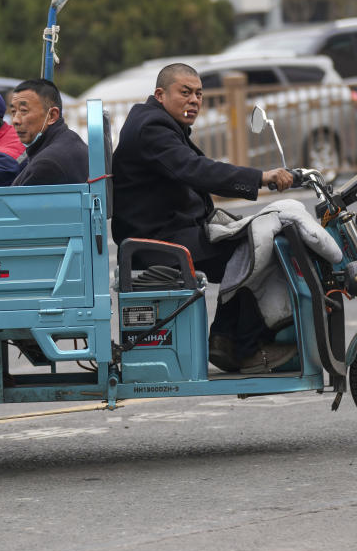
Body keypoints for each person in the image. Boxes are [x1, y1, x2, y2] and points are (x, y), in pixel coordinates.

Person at [111, 63, 295, 374]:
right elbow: (197, 170)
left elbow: (197, 166)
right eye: (185, 93)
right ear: (160, 94)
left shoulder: (157, 122)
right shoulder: (152, 128)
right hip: (159, 240)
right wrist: (261, 177)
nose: (194, 100)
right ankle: (242, 347)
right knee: (259, 250)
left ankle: (225, 338)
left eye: (199, 94)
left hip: (167, 231)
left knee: (250, 239)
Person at [9, 79, 88, 186]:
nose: (15, 120)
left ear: (52, 115)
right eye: (13, 112)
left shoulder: (47, 164)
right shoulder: (68, 139)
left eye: (24, 110)